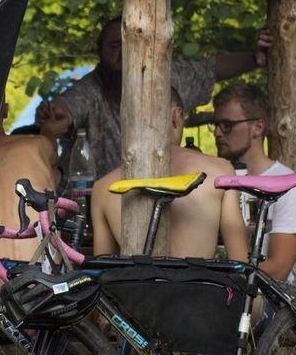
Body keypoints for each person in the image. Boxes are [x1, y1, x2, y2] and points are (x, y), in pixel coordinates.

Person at [35, 18, 271, 178]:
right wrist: (54, 114)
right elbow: (66, 108)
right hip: (103, 204)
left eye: (130, 44)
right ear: (100, 53)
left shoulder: (168, 76)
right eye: (115, 45)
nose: (124, 52)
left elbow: (212, 69)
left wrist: (255, 59)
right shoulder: (92, 88)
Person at [91, 89, 248, 261]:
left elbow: (103, 271)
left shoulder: (102, 188)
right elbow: (240, 263)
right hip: (201, 286)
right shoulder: (220, 170)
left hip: (138, 287)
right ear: (176, 116)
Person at [210, 83, 296, 281]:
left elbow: (279, 270)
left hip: (263, 300)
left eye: (227, 125)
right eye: (215, 125)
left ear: (257, 127)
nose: (217, 133)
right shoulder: (213, 179)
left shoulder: (288, 186)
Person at [0, 103, 61, 293]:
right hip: (44, 287)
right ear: (5, 110)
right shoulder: (39, 145)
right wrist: (49, 133)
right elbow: (55, 161)